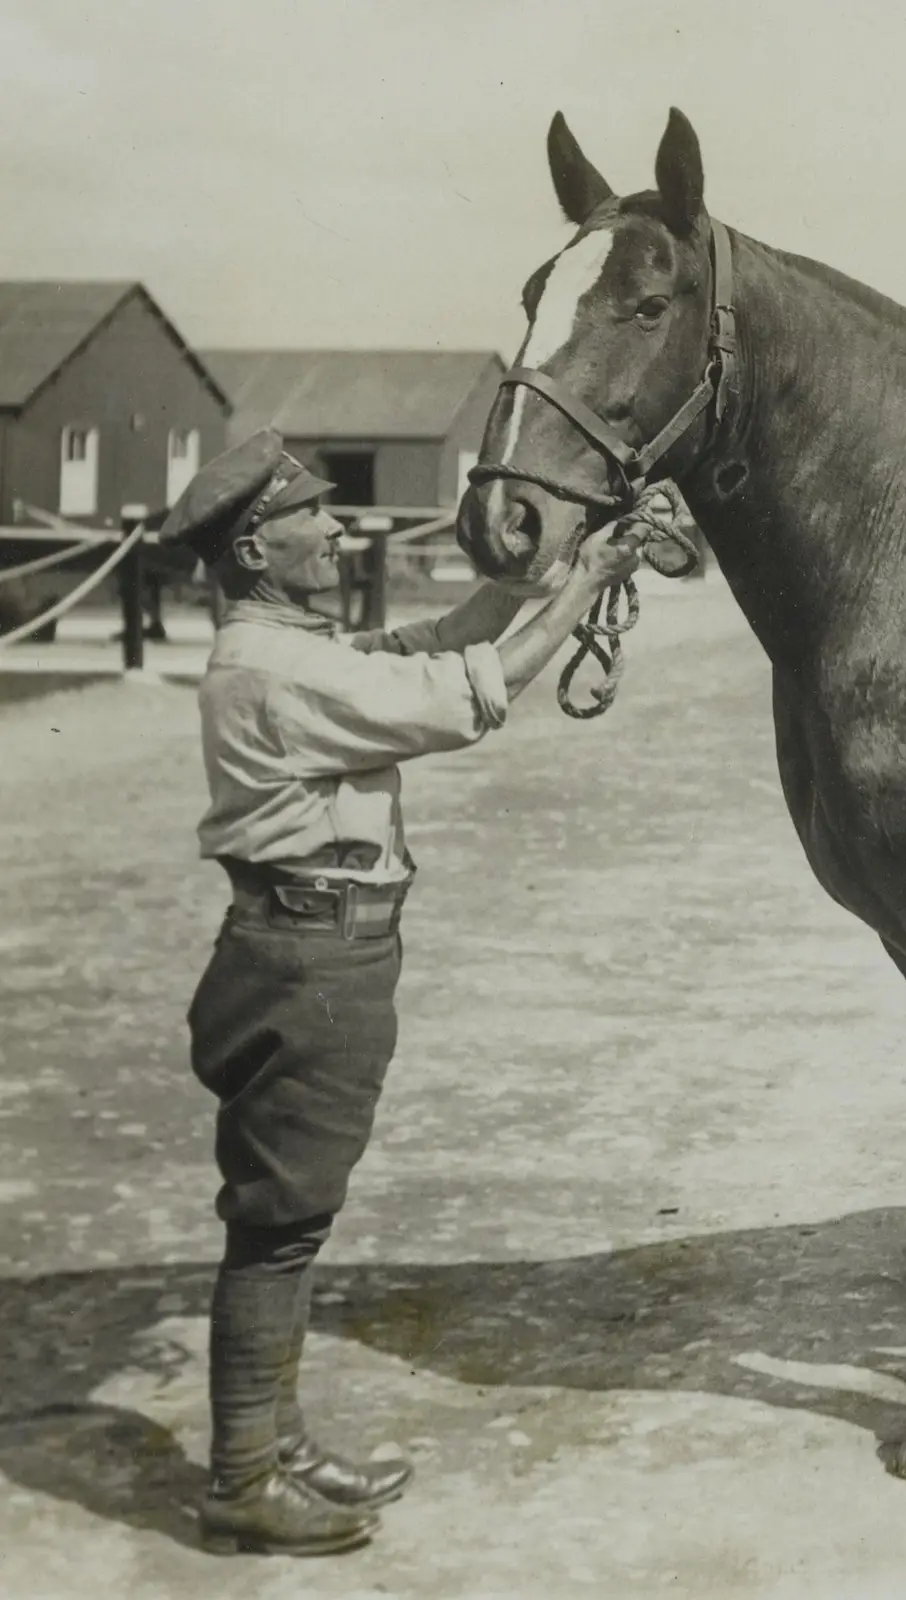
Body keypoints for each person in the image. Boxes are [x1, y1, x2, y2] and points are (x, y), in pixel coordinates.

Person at [163, 428, 658, 1557]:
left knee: (289, 1222)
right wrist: (585, 577)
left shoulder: (287, 647)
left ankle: (274, 1448)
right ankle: (243, 1475)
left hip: (312, 950)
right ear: (254, 545)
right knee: (279, 1230)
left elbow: (437, 643)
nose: (339, 531)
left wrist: (545, 573)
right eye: (314, 520)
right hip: (309, 960)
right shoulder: (278, 667)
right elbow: (466, 698)